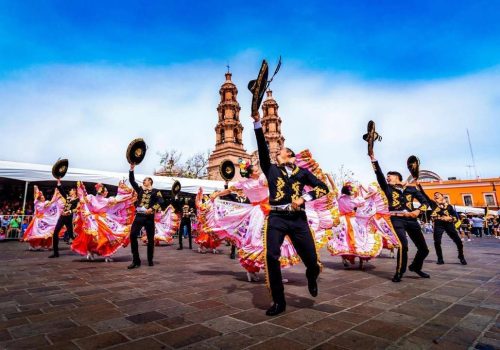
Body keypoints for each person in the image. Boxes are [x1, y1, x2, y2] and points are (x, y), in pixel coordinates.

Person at [252, 111, 329, 316]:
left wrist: (305, 198)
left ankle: (311, 276)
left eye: (280, 152)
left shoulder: (302, 173)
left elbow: (323, 188)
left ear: (290, 156)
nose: (277, 154)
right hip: (276, 218)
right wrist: (257, 123)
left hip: (298, 220)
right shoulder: (271, 169)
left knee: (312, 261)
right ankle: (279, 301)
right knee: (271, 255)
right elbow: (262, 148)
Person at [369, 152, 430, 282]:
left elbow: (426, 203)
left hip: (412, 219)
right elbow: (378, 174)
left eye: (389, 176)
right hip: (396, 219)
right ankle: (399, 272)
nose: (387, 178)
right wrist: (373, 159)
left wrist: (418, 211)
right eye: (387, 177)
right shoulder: (387, 188)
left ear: (397, 177)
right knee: (403, 246)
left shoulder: (412, 189)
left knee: (424, 249)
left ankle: (415, 267)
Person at [72, 182, 135, 262]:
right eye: (106, 191)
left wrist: (82, 189)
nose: (107, 192)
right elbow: (120, 201)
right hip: (103, 220)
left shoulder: (91, 198)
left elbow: (83, 198)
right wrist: (130, 196)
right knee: (107, 237)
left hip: (92, 220)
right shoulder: (107, 200)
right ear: (103, 192)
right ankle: (107, 255)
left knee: (91, 238)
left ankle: (90, 253)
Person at [417, 186, 467, 265]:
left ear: (442, 197)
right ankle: (440, 259)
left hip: (449, 224)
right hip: (438, 224)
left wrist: (450, 218)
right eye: (435, 195)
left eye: (437, 194)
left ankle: (461, 256)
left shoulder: (449, 206)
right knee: (437, 242)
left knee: (458, 241)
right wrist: (419, 186)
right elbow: (425, 195)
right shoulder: (433, 204)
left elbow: (456, 217)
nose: (435, 195)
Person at [128, 164, 162, 268]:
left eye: (145, 180)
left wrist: (152, 209)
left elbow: (161, 201)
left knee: (151, 239)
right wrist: (132, 169)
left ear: (150, 181)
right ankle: (136, 260)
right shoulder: (140, 190)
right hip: (139, 216)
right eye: (143, 180)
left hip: (149, 217)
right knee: (133, 235)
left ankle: (150, 259)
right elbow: (132, 181)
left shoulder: (156, 191)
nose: (144, 181)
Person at [23, 186, 64, 250]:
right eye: (42, 197)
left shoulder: (45, 202)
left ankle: (44, 245)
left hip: (45, 219)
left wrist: (55, 194)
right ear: (39, 199)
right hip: (39, 221)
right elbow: (37, 196)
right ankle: (35, 245)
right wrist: (36, 189)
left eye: (43, 196)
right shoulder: (38, 204)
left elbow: (51, 203)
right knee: (37, 233)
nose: (43, 197)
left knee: (46, 233)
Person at [49, 180, 79, 258]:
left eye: (71, 190)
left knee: (72, 236)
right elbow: (61, 190)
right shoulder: (68, 198)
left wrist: (69, 211)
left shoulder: (77, 199)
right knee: (55, 233)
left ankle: (82, 247)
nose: (70, 191)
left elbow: (78, 209)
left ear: (74, 191)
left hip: (69, 218)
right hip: (62, 217)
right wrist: (58, 182)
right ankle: (56, 253)